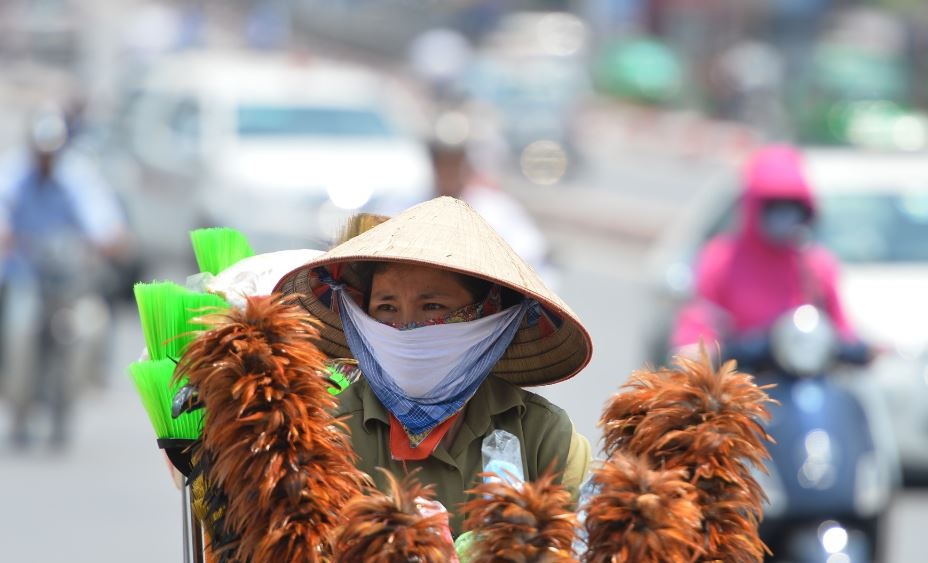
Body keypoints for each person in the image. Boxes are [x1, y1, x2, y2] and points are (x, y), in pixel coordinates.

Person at [273, 196, 593, 535]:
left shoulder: (543, 438)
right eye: (387, 308)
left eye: (432, 306)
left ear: (487, 314)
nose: (407, 328)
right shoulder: (325, 434)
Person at [0, 108, 130, 448]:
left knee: (92, 323)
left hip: (67, 276)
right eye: (40, 153)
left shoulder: (76, 174)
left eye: (51, 153)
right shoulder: (13, 172)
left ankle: (90, 379)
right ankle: (15, 396)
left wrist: (108, 237)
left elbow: (99, 214)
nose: (45, 160)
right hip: (25, 273)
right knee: (18, 325)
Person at [671, 144, 870, 365]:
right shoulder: (721, 260)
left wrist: (866, 350)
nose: (784, 217)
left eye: (791, 207)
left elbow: (841, 328)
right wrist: (704, 351)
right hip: (743, 385)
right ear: (755, 207)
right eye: (774, 206)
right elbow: (698, 324)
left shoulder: (815, 265)